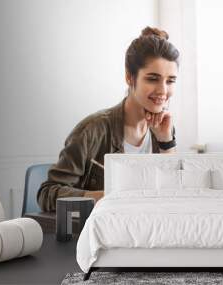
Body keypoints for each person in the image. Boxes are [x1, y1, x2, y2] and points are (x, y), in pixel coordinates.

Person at [37, 27, 180, 212]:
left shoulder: (165, 130)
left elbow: (174, 195)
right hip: (96, 235)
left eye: (170, 81)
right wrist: (108, 198)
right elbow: (47, 194)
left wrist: (166, 142)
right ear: (129, 77)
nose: (163, 90)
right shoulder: (92, 130)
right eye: (152, 79)